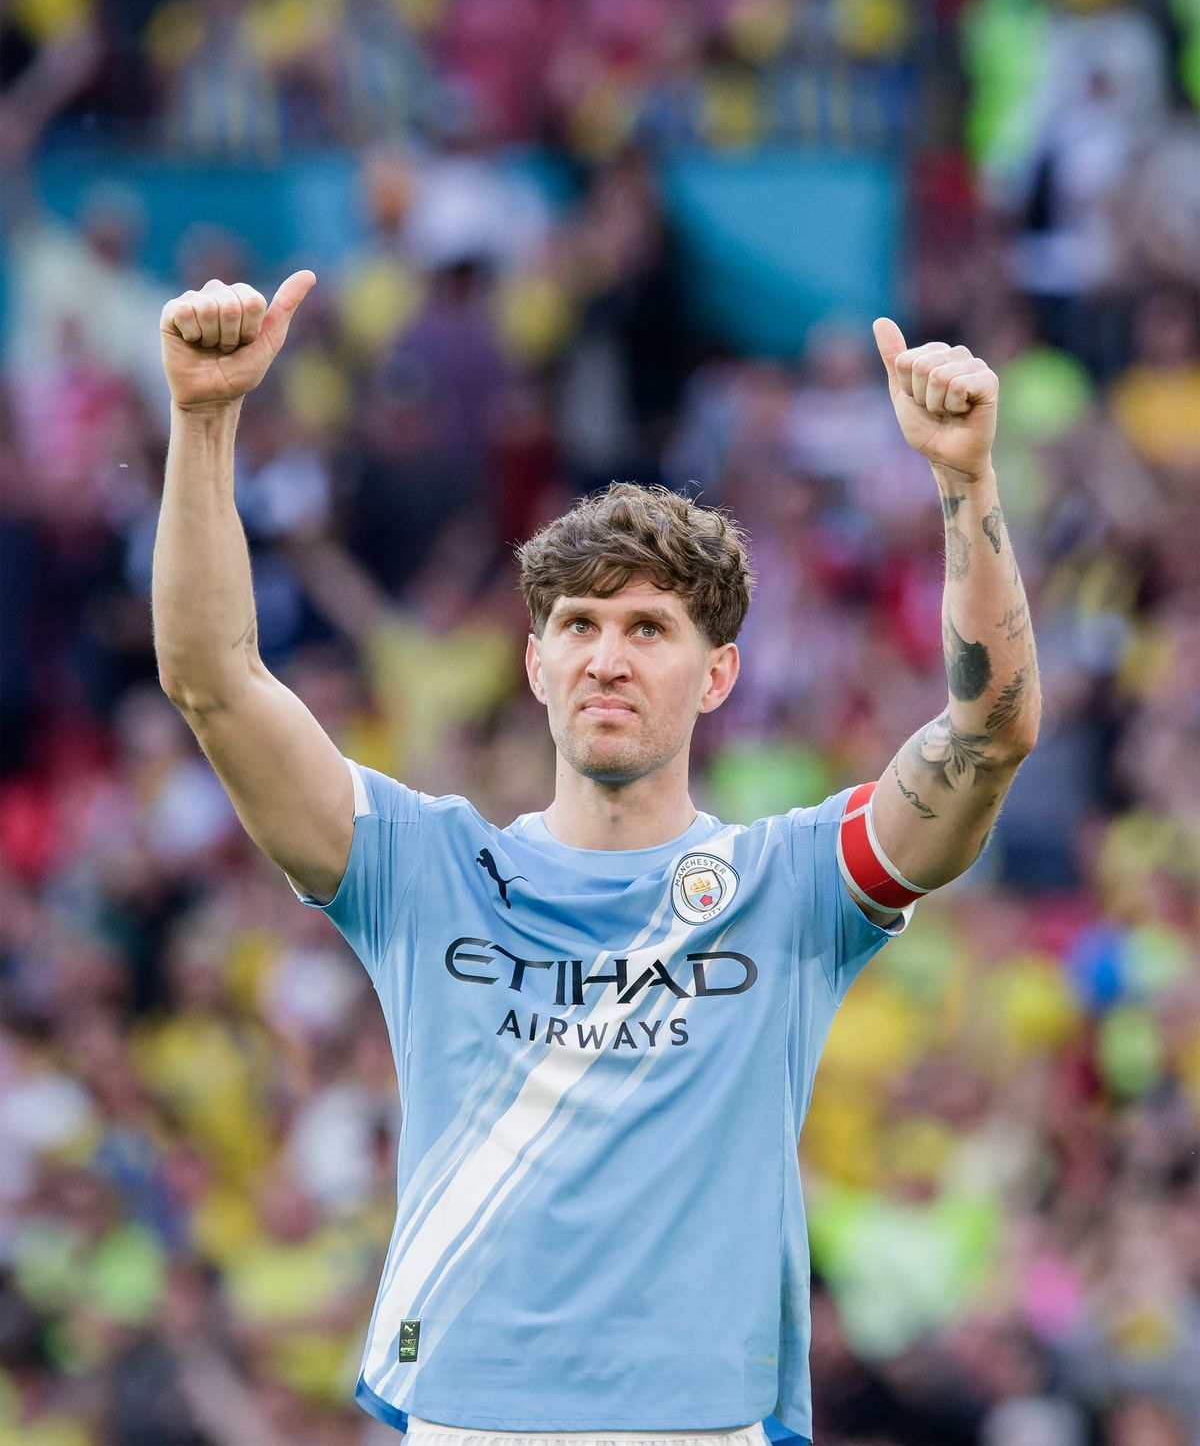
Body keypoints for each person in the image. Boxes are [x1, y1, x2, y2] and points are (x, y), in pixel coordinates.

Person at [152, 271, 1040, 1445]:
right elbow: (216, 683)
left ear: (716, 674)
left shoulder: (793, 887)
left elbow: (990, 732)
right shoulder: (426, 871)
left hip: (702, 1425)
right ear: (534, 666)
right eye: (577, 625)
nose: (605, 658)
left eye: (648, 629)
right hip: (468, 1417)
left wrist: (965, 480)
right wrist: (205, 419)